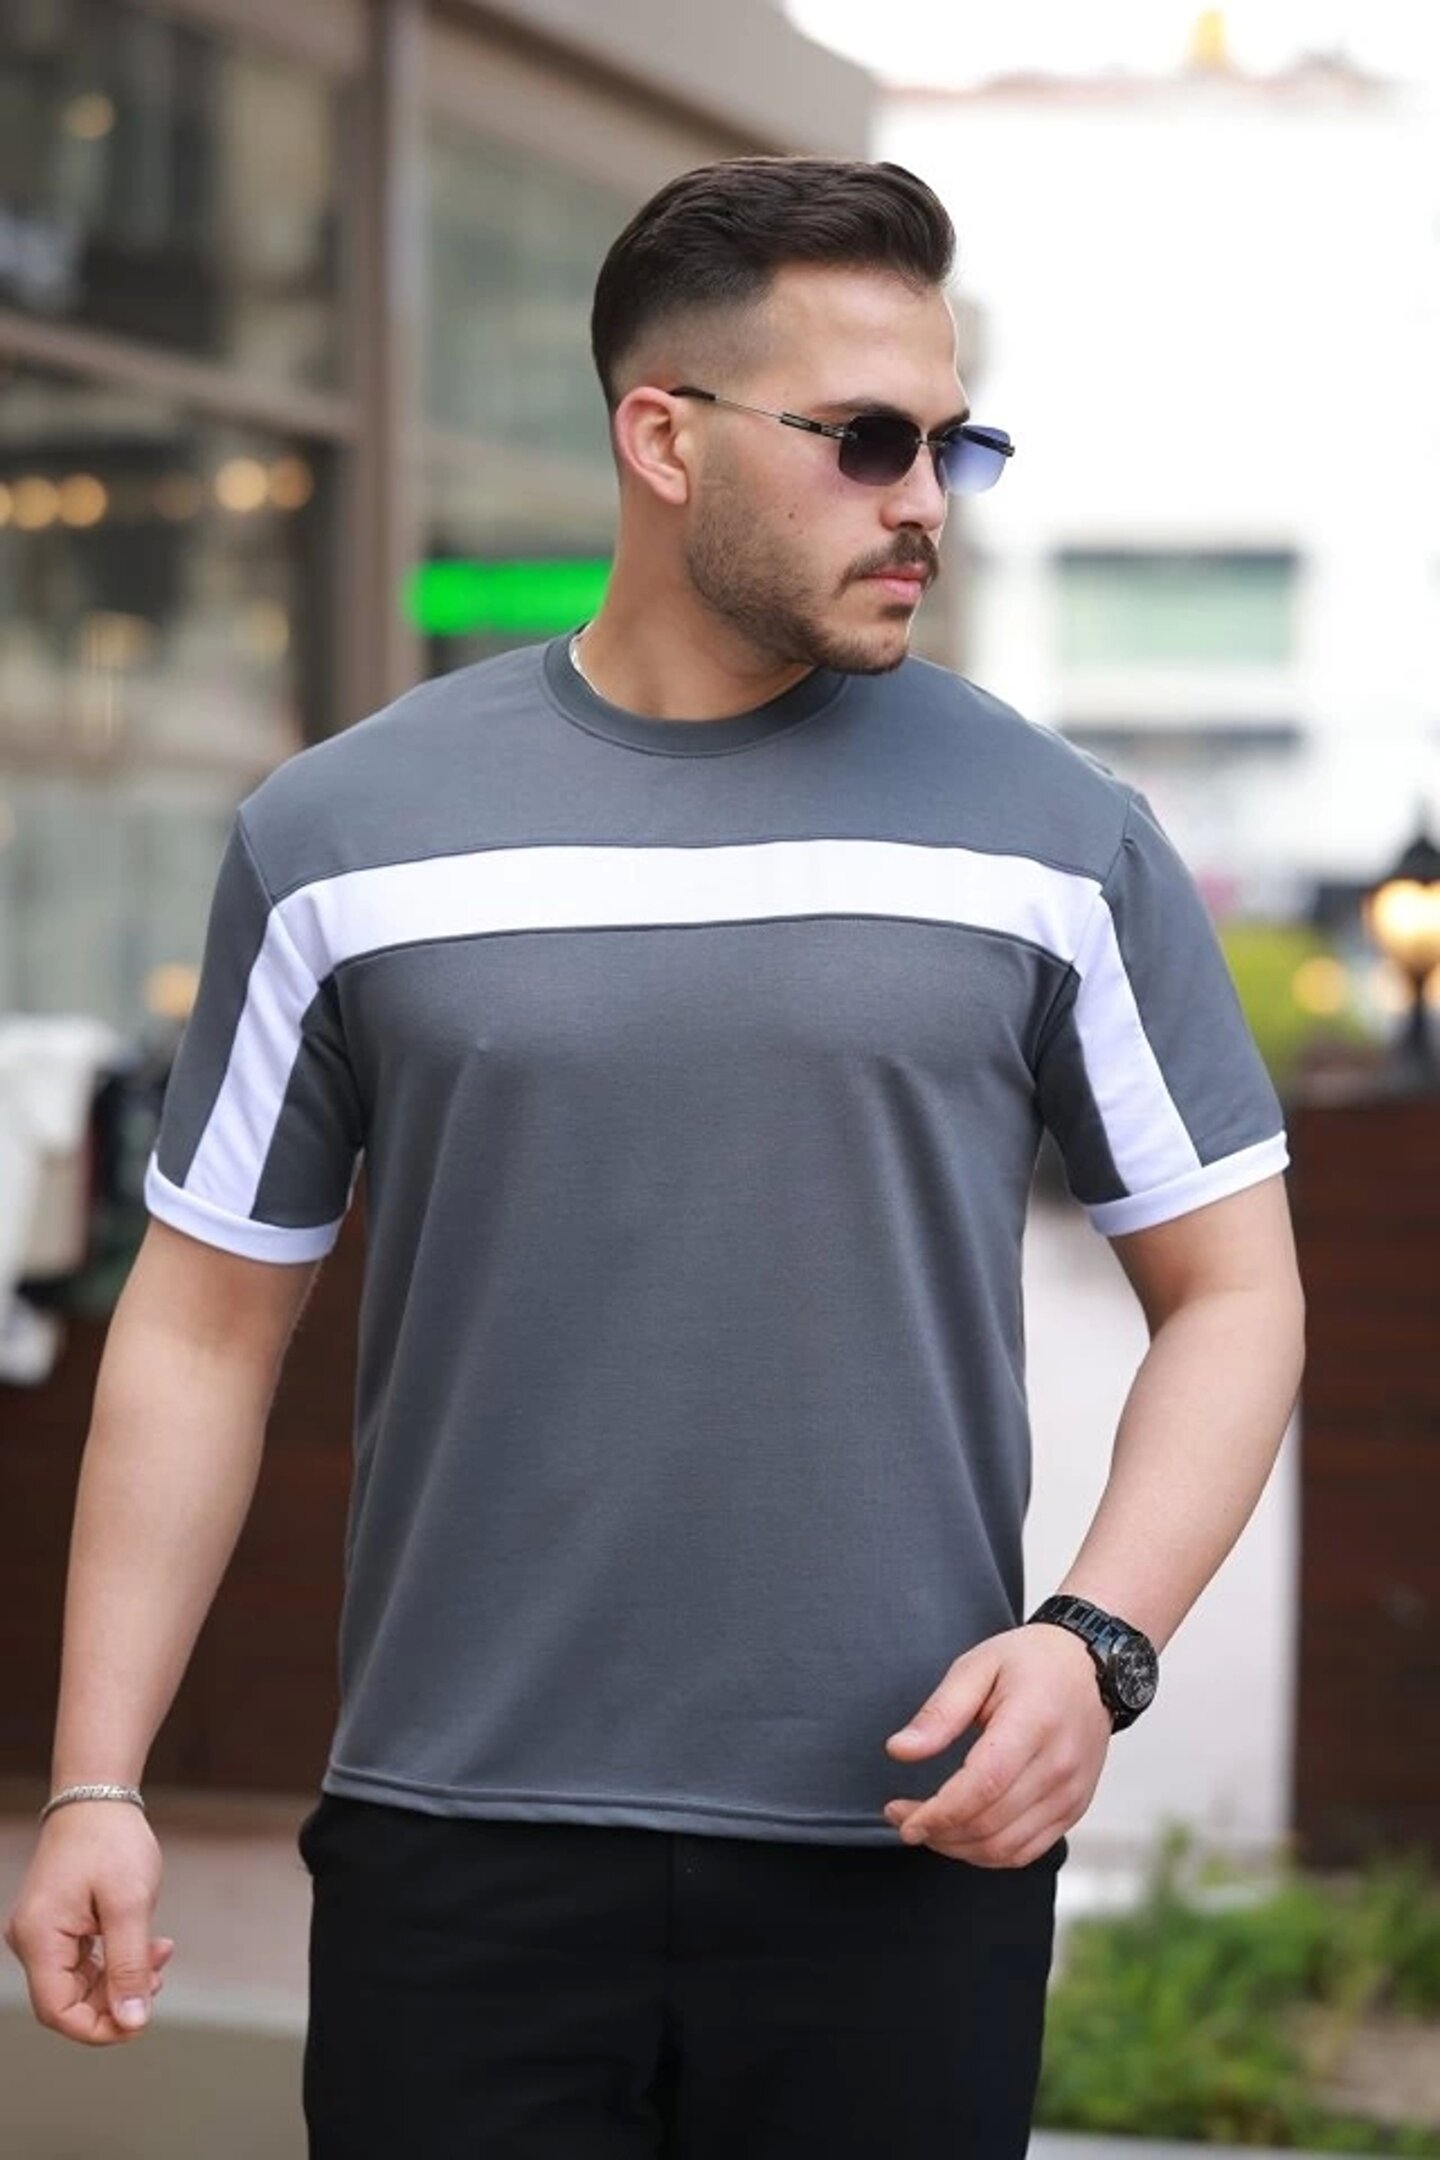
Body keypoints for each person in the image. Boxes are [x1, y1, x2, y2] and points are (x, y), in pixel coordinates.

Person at [4, 156, 1306, 2157]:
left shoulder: (1061, 836)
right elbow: (197, 1337)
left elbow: (1235, 1294)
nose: (924, 501)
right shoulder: (341, 838)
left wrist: (1095, 1644)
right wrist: (97, 1780)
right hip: (454, 1858)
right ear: (663, 437)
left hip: (903, 1849)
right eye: (866, 440)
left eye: (951, 444)